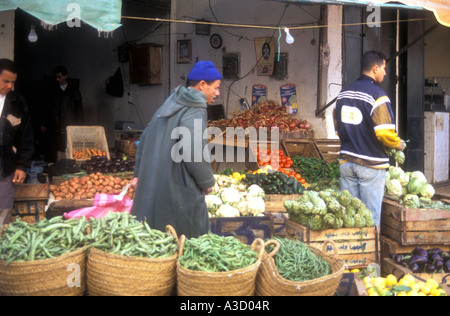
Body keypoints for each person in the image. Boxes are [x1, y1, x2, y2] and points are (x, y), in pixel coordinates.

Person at [131, 61, 222, 238]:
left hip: (156, 185)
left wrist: (138, 173)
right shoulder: (195, 108)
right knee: (186, 243)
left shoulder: (171, 103)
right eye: (216, 88)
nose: (218, 93)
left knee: (157, 241)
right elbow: (194, 150)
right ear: (202, 85)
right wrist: (207, 181)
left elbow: (143, 139)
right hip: (179, 189)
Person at [334, 50, 402, 226]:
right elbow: (384, 133)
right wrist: (397, 144)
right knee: (370, 218)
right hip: (370, 165)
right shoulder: (378, 96)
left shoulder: (343, 94)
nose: (385, 73)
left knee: (349, 216)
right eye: (384, 69)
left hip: (347, 162)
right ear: (375, 68)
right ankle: (371, 253)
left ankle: (351, 251)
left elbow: (337, 126)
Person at [0, 59, 34, 209]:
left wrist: (22, 165)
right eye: (5, 81)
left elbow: (26, 137)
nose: (10, 86)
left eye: (12, 83)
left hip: (6, 168)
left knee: (3, 215)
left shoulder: (18, 102)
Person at [43, 66, 84, 162]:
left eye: (59, 77)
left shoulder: (74, 92)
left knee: (69, 149)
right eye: (56, 77)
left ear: (66, 76)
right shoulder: (52, 91)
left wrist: (81, 127)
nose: (57, 79)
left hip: (70, 125)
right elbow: (47, 108)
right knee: (55, 150)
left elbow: (79, 111)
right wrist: (44, 122)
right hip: (55, 125)